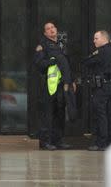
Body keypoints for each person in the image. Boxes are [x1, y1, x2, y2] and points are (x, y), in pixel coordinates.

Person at [34, 22, 75, 150]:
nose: (51, 30)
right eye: (48, 29)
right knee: (48, 113)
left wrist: (71, 80)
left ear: (56, 29)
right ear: (45, 33)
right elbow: (39, 64)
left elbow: (68, 63)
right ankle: (45, 141)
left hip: (63, 85)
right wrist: (52, 61)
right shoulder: (42, 46)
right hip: (49, 85)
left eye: (53, 27)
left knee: (60, 112)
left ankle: (58, 140)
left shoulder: (62, 44)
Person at [83, 30, 111, 151]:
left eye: (96, 38)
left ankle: (101, 143)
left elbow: (87, 61)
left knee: (100, 115)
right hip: (108, 86)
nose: (94, 41)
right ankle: (109, 141)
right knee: (108, 115)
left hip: (101, 88)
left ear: (104, 38)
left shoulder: (101, 51)